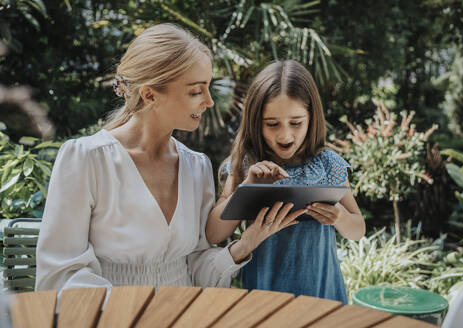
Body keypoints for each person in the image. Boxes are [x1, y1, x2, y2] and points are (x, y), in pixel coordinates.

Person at [35, 24, 305, 295]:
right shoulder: (87, 159)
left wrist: (245, 244)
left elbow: (196, 268)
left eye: (208, 88)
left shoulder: (196, 166)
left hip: (183, 314)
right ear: (150, 94)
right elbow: (60, 276)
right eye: (196, 91)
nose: (209, 101)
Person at [205, 60, 365, 303]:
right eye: (272, 124)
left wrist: (340, 217)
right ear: (255, 121)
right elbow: (214, 234)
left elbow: (358, 229)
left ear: (312, 117)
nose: (285, 135)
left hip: (322, 297)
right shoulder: (244, 164)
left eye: (296, 122)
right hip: (264, 297)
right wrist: (248, 187)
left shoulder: (328, 163)